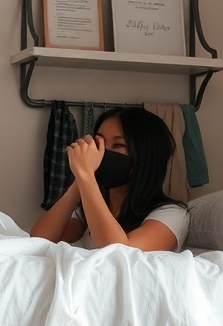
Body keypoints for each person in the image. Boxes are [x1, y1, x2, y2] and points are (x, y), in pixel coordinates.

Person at [29, 106, 189, 252]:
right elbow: (39, 240)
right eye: (100, 143)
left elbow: (118, 253)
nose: (104, 153)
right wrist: (81, 178)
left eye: (118, 145)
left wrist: (86, 175)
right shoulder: (88, 208)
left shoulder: (173, 214)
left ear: (145, 155)